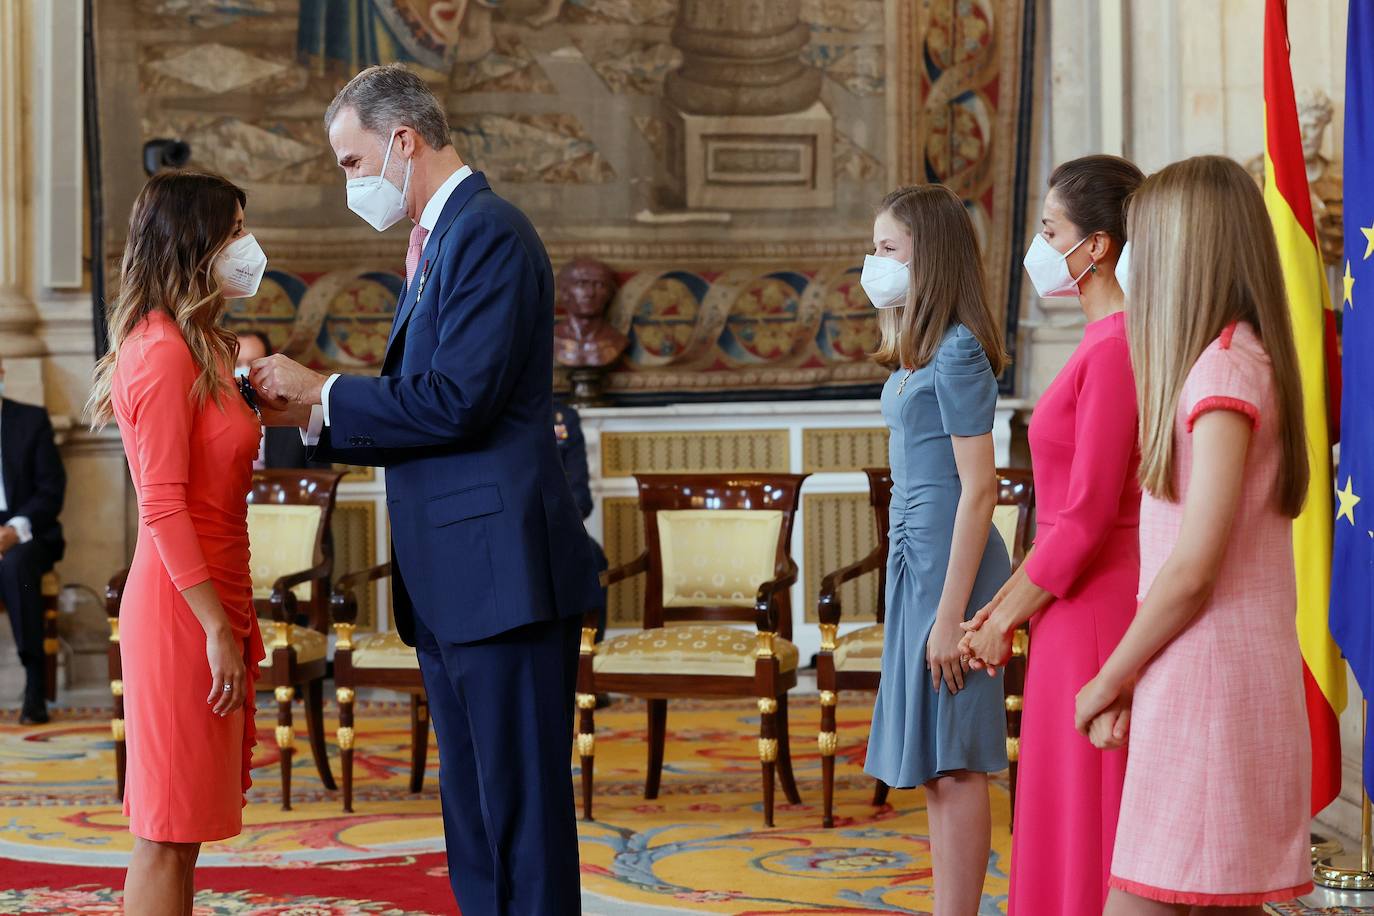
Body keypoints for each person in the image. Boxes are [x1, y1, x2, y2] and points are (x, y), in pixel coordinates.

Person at [249, 64, 600, 916]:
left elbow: (457, 401)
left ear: (402, 141)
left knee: (519, 817)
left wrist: (325, 390)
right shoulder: (441, 239)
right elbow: (430, 410)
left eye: (351, 161)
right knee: (476, 815)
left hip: (500, 576)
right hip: (458, 578)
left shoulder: (487, 232)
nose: (350, 182)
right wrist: (314, 413)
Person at [1075, 155, 1313, 912]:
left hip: (1209, 687)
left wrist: (1110, 676)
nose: (1132, 263)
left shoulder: (1222, 373)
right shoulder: (1235, 359)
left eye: (1143, 242)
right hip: (1213, 677)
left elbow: (1192, 569)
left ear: (1184, 249)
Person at [959, 154, 1144, 914]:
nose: (1038, 247)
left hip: (1098, 606)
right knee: (1058, 802)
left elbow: (1090, 514)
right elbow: (1063, 513)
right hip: (1067, 602)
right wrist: (1001, 607)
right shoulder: (1100, 341)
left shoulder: (1118, 346)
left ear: (1095, 246)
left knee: (1086, 808)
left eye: (1050, 230)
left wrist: (1001, 618)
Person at [86, 170, 270, 915]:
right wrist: (215, 628)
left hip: (217, 591)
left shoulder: (206, 346)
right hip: (181, 609)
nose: (247, 247)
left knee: (186, 827)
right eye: (235, 232)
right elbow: (161, 506)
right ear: (196, 241)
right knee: (165, 830)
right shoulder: (160, 350)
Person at [858, 184, 1011, 915]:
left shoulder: (958, 352)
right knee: (934, 763)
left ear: (931, 256)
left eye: (888, 248)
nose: (875, 262)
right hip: (916, 560)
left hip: (954, 569)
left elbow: (981, 489)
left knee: (957, 759)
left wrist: (953, 619)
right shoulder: (921, 348)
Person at [0, 358, 67, 725]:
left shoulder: (30, 420)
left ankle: (34, 686)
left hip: (27, 532)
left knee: (16, 566)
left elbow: (51, 490)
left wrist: (13, 530)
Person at [234, 332, 329, 470]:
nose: (243, 371)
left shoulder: (295, 419)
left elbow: (320, 476)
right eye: (236, 364)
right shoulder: (208, 419)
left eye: (252, 364)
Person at [552, 257, 627, 368]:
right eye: (581, 284)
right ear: (564, 291)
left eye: (599, 284)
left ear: (609, 293)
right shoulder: (551, 339)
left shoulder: (617, 340)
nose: (590, 293)